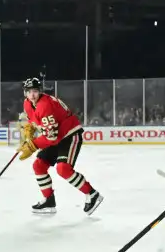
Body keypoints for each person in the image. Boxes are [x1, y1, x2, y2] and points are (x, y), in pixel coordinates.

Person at [19, 78, 104, 216]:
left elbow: (51, 138)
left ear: (39, 91)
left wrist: (32, 145)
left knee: (63, 169)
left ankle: (92, 194)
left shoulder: (45, 105)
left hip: (69, 135)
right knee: (38, 165)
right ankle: (49, 201)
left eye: (35, 91)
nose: (32, 94)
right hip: (55, 136)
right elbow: (34, 120)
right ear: (25, 94)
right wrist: (30, 127)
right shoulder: (27, 104)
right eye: (29, 92)